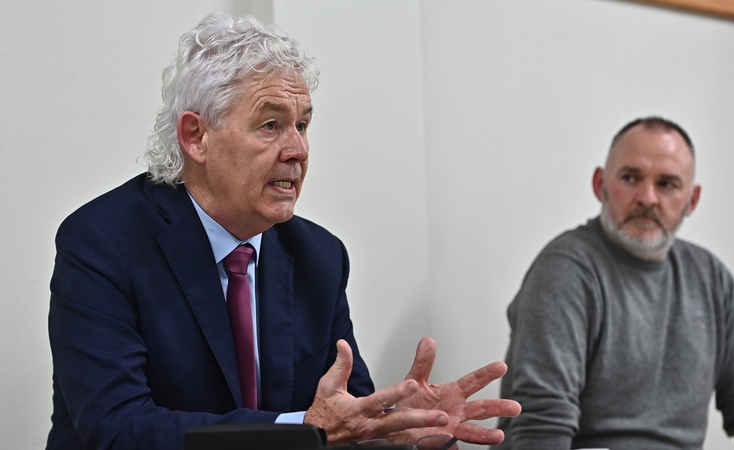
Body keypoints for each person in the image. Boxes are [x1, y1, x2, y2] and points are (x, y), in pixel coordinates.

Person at [46, 12, 520, 450]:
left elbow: (347, 418)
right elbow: (117, 427)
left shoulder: (319, 256)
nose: (298, 150)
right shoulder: (103, 242)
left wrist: (394, 432)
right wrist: (304, 430)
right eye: (271, 125)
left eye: (303, 125)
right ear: (196, 136)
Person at [494, 117, 734, 450]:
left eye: (667, 184)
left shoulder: (712, 279)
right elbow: (542, 427)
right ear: (600, 185)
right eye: (630, 178)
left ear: (691, 200)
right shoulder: (565, 270)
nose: (647, 198)